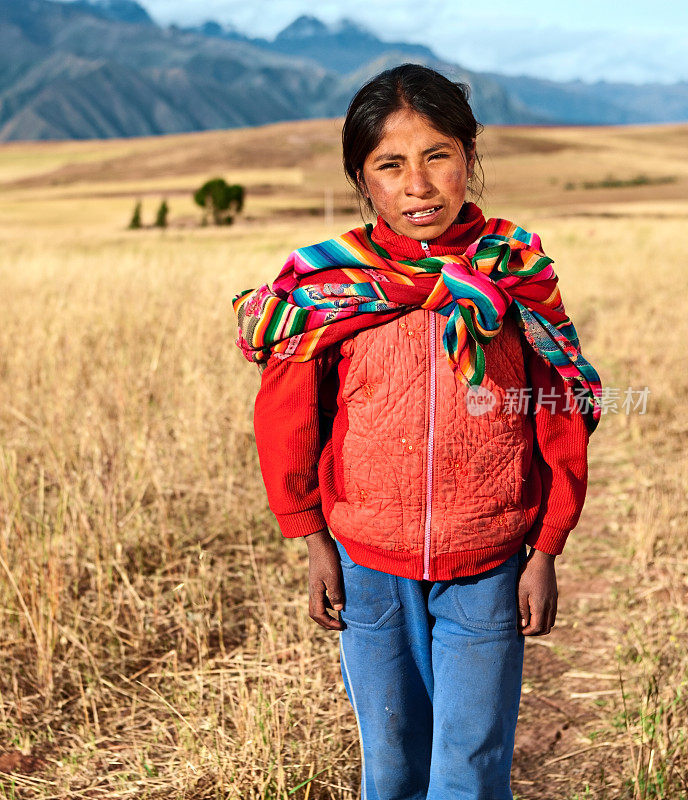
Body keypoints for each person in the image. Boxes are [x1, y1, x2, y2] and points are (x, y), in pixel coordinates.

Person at [233, 64, 601, 800]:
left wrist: (547, 547)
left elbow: (558, 405)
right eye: (390, 165)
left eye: (438, 155)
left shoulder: (513, 272)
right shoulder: (328, 288)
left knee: (469, 771)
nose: (419, 184)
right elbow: (288, 417)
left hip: (488, 564)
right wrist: (312, 540)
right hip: (368, 566)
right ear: (362, 179)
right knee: (394, 769)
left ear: (470, 156)